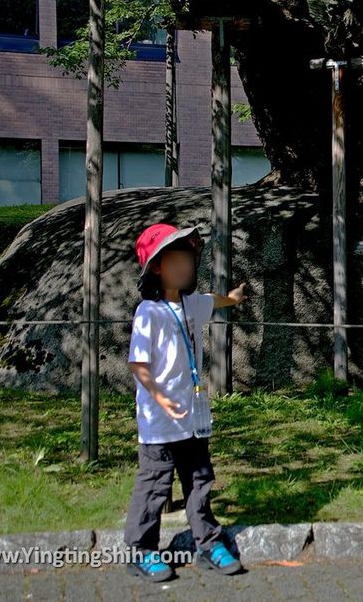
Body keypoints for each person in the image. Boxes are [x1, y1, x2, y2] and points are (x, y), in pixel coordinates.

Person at [124, 223, 246, 581]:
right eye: (175, 262)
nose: (184, 269)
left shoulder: (192, 305)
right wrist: (159, 397)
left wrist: (234, 299)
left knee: (199, 479)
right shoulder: (150, 312)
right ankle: (141, 550)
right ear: (157, 268)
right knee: (155, 485)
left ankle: (208, 543)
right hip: (159, 423)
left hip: (192, 418)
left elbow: (214, 300)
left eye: (188, 262)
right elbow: (137, 364)